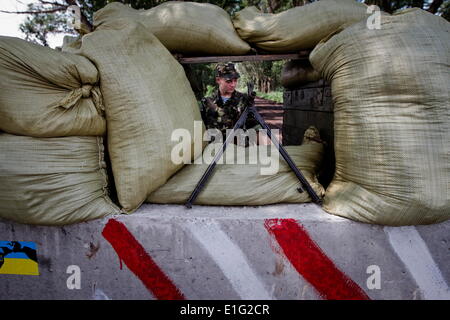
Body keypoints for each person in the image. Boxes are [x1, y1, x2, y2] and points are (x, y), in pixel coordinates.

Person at [201, 63, 260, 145]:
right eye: (229, 81)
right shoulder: (207, 102)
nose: (233, 84)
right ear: (218, 80)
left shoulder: (244, 99)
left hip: (239, 148)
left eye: (235, 80)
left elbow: (255, 127)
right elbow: (201, 128)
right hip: (214, 149)